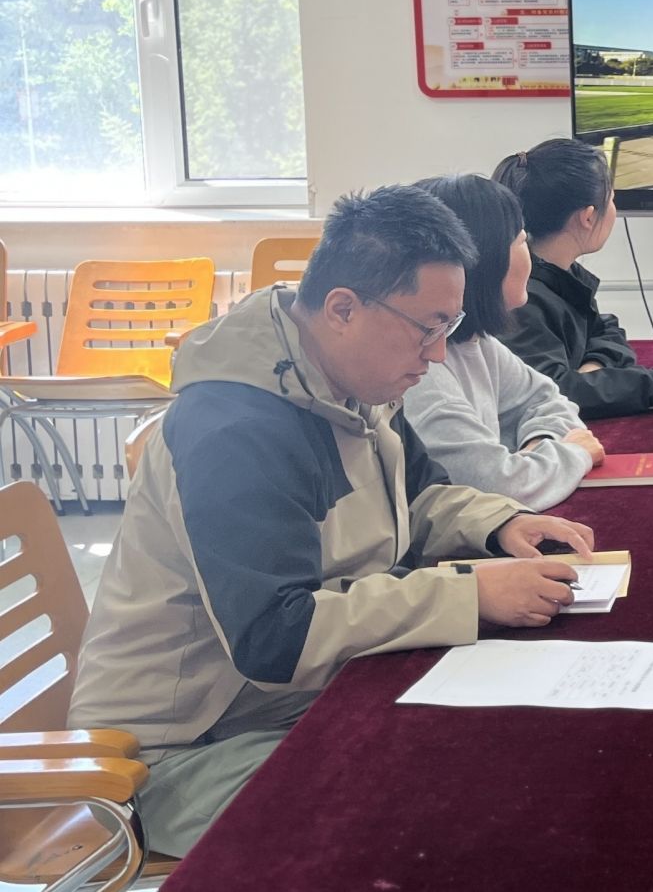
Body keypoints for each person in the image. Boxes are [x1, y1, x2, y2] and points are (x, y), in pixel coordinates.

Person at [67, 186, 599, 857]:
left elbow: (418, 495)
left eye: (449, 326)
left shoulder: (351, 380)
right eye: (428, 327)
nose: (438, 354)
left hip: (280, 704)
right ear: (344, 308)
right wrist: (468, 593)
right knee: (441, 808)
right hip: (175, 756)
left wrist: (498, 524)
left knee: (489, 745)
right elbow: (275, 637)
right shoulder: (236, 430)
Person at [406, 174, 608, 508]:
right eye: (522, 240)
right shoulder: (423, 372)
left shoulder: (476, 342)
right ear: (486, 260)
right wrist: (573, 453)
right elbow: (501, 487)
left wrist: (536, 448)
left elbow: (548, 400)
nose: (531, 256)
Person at [492, 138, 653, 418]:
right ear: (588, 217)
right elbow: (553, 393)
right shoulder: (521, 296)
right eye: (612, 199)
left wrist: (592, 369)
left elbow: (607, 331)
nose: (614, 209)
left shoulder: (562, 274)